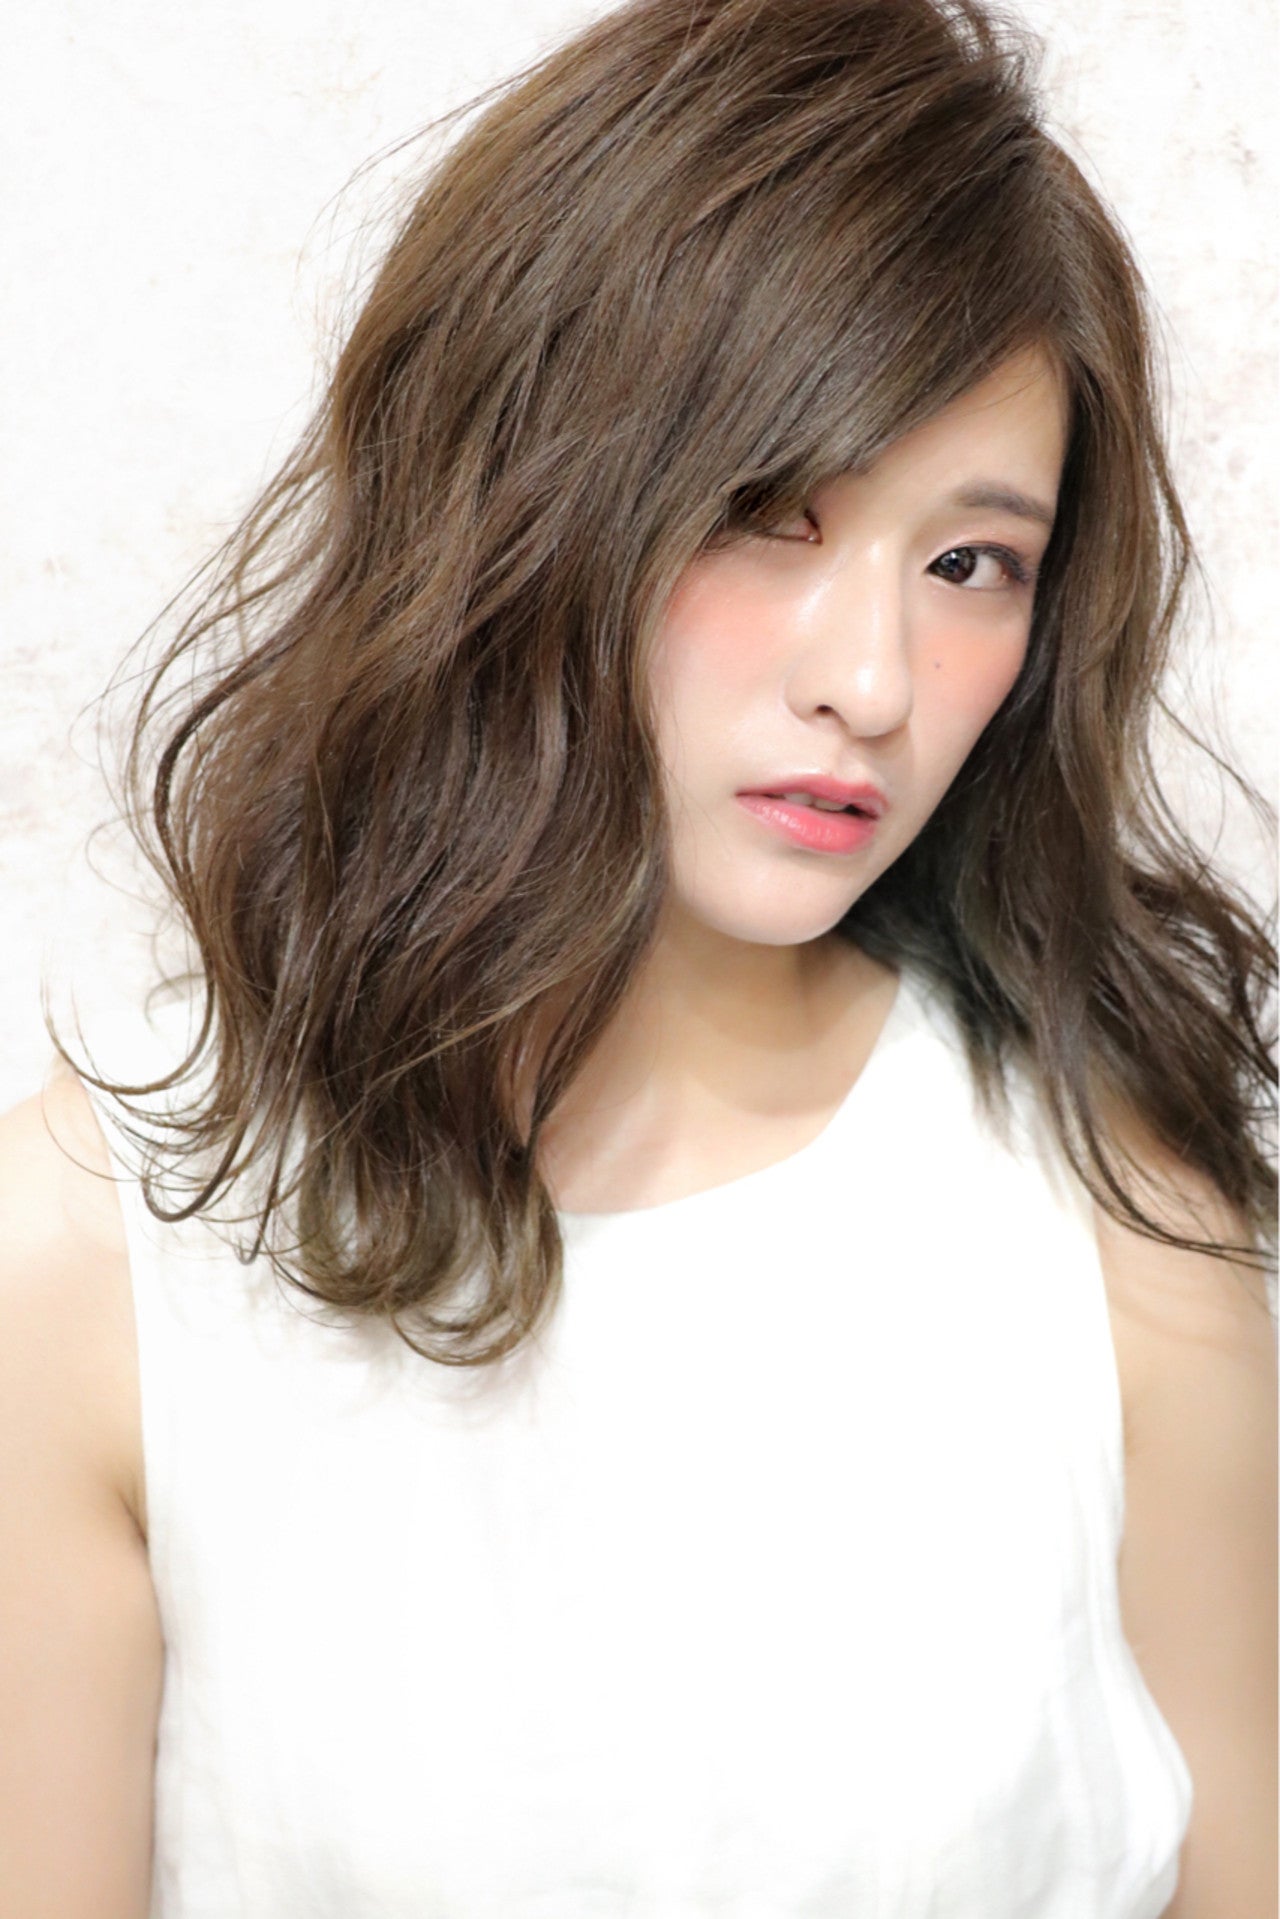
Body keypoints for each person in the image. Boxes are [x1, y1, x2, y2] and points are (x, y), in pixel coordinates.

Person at [1, 0, 1275, 1913]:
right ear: (523, 485)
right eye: (770, 517)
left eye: (969, 565)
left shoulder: (1117, 1222)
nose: (871, 680)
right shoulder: (99, 1265)